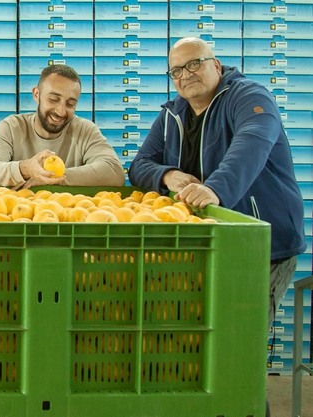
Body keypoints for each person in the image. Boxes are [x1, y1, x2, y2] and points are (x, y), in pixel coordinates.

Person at [128, 37, 306, 415]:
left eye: (194, 63)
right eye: (176, 70)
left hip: (260, 247)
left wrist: (215, 189)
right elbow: (139, 165)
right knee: (199, 349)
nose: (185, 75)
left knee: (238, 351)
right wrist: (168, 175)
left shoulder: (249, 97)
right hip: (205, 248)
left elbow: (252, 143)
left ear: (217, 65)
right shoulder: (173, 114)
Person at [0, 64, 124, 188]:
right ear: (36, 95)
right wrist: (26, 168)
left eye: (70, 104)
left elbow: (114, 172)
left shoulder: (85, 130)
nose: (61, 111)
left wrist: (55, 177)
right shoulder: (11, 127)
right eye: (53, 99)